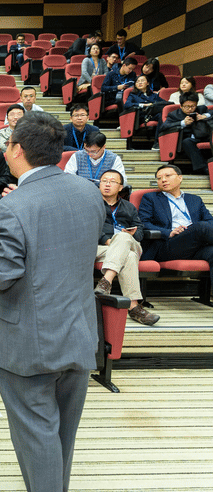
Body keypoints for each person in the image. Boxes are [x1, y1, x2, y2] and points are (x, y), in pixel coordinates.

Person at [0, 111, 105, 492]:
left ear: (17, 150)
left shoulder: (12, 206)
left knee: (35, 430)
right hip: (80, 331)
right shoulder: (90, 192)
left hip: (28, 342)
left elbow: (3, 274)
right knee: (61, 432)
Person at [93, 169, 160, 326]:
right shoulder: (91, 204)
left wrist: (131, 235)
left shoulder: (129, 207)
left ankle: (105, 282)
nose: (107, 184)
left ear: (121, 187)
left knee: (124, 238)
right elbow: (87, 226)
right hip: (101, 247)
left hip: (130, 244)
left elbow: (140, 230)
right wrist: (108, 240)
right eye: (104, 181)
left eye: (112, 181)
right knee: (128, 256)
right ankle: (134, 307)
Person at [139, 164, 213, 298]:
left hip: (195, 245)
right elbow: (143, 223)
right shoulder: (151, 198)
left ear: (180, 178)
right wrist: (169, 232)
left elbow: (210, 221)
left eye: (167, 176)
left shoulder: (194, 199)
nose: (163, 180)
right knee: (201, 227)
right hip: (168, 244)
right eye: (159, 178)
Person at [160, 93, 212, 174]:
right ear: (181, 106)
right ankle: (204, 169)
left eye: (193, 106)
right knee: (187, 142)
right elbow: (164, 127)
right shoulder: (174, 115)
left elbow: (211, 113)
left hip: (203, 136)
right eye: (186, 106)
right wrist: (182, 123)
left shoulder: (202, 109)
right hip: (186, 141)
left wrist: (205, 116)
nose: (190, 109)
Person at [123, 74, 167, 146]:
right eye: (137, 82)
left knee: (163, 115)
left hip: (153, 114)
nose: (139, 83)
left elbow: (164, 103)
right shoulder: (133, 95)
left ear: (148, 83)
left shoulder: (154, 95)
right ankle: (157, 142)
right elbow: (127, 105)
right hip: (141, 117)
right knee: (160, 116)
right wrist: (143, 105)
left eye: (142, 81)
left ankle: (160, 141)